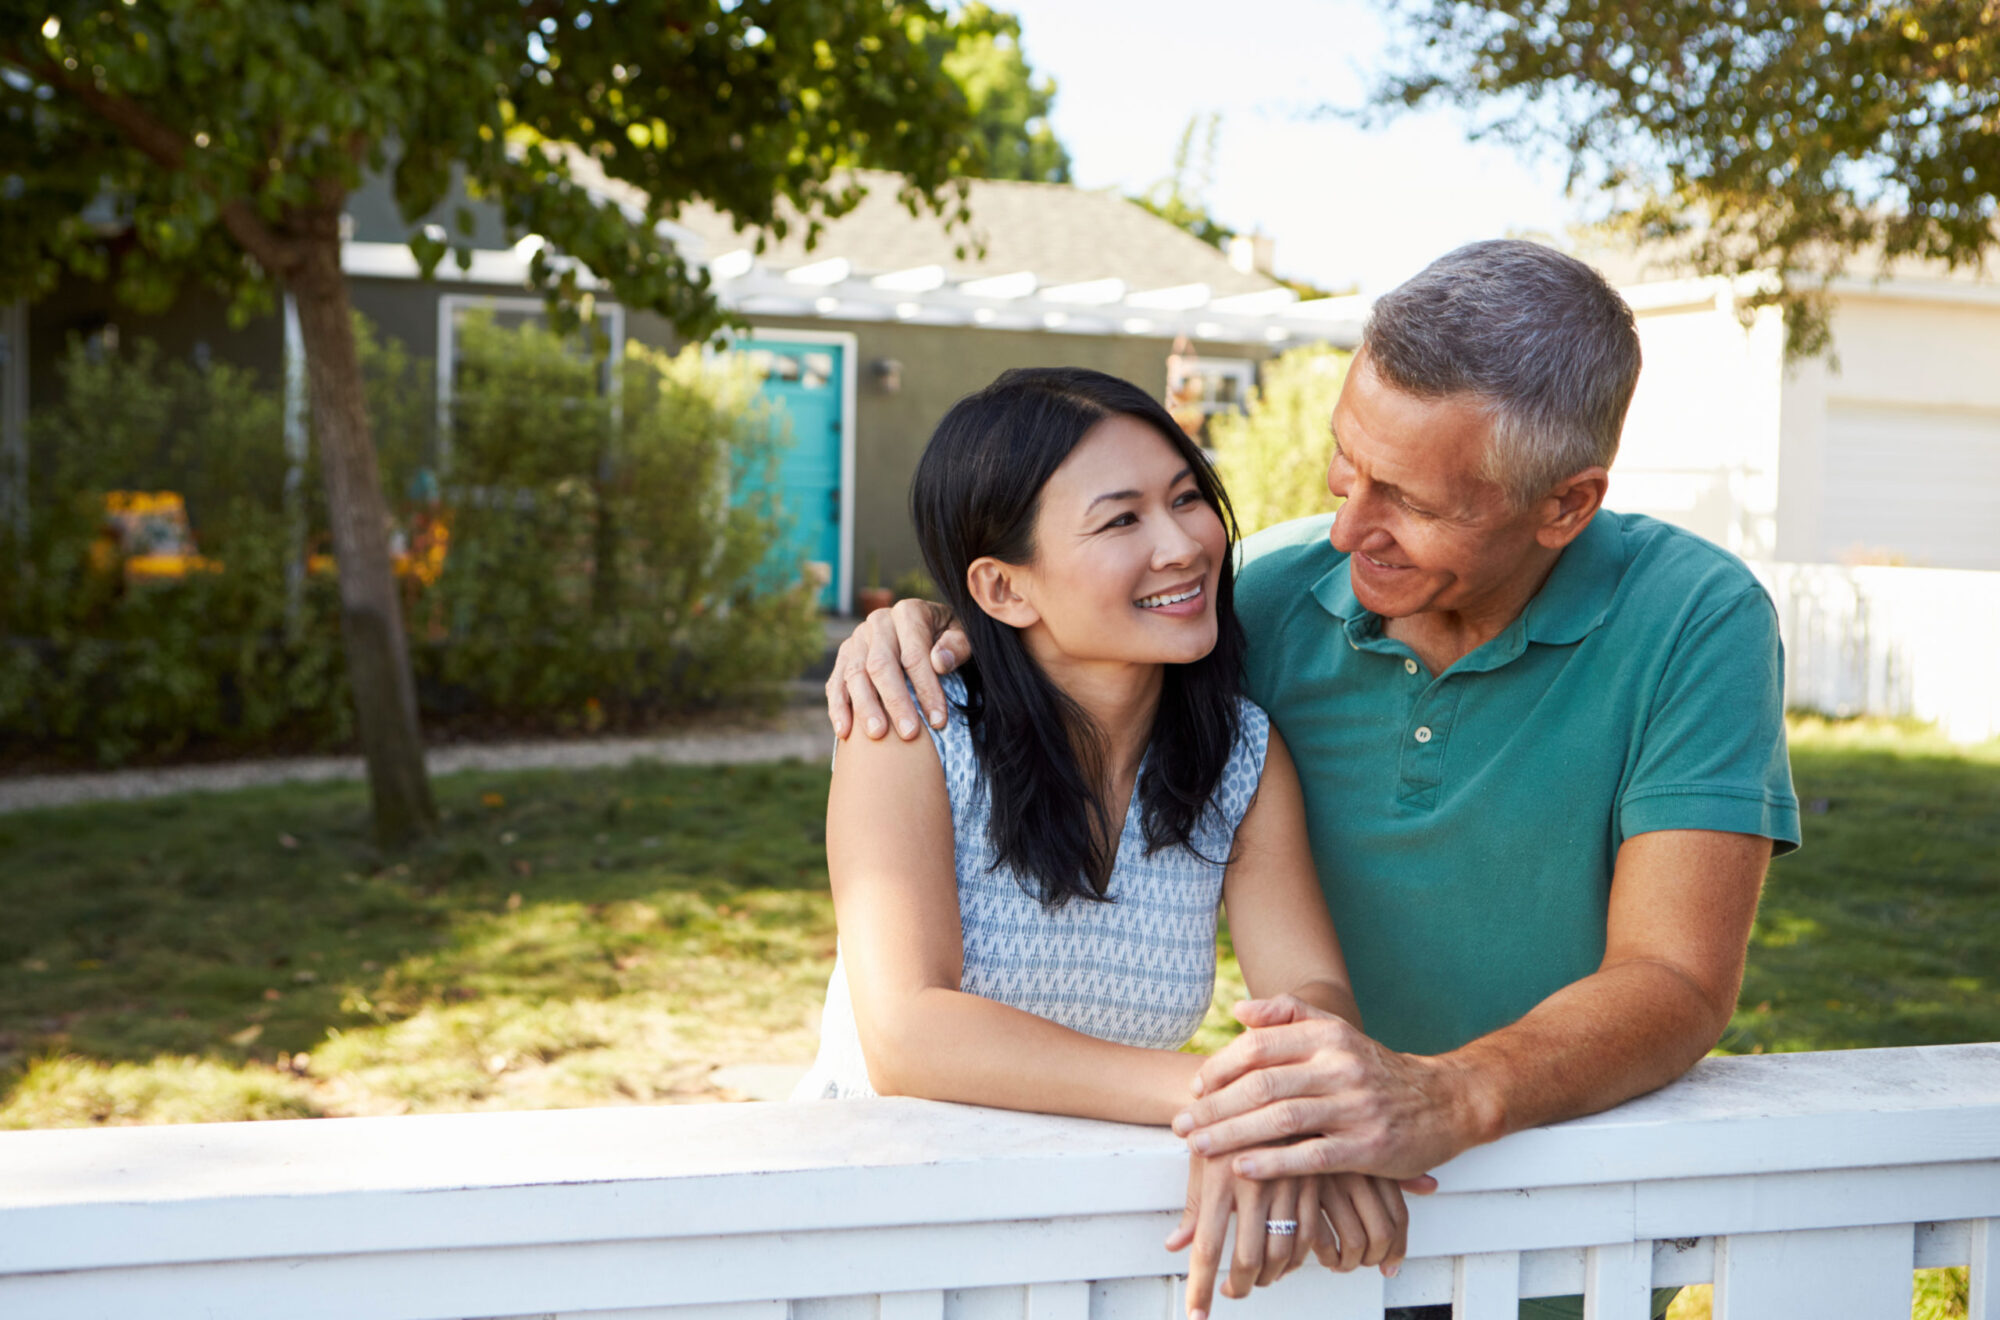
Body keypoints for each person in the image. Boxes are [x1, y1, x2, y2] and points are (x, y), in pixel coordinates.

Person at [823, 241, 1801, 1320]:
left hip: (1524, 1201)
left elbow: (1672, 978)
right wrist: (910, 626)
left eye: (1411, 502)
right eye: (1346, 465)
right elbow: (1061, 620)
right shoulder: (1262, 604)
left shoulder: (1693, 623)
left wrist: (1420, 1097)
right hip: (989, 1225)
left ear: (1563, 506)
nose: (1343, 530)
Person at [797, 367, 1419, 1320]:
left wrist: (1302, 1099)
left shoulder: (1242, 756)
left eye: (1185, 498)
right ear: (1003, 588)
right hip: (877, 1236)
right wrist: (1230, 1101)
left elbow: (1311, 990)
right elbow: (909, 1033)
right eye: (1121, 520)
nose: (1182, 546)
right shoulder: (910, 726)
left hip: (1082, 1242)